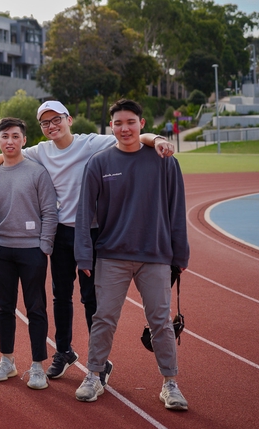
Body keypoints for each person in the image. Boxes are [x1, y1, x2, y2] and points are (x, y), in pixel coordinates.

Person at [0, 100, 173, 383]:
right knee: (61, 297)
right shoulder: (41, 151)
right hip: (61, 232)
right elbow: (9, 152)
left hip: (92, 232)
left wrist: (156, 139)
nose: (51, 126)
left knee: (92, 297)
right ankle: (64, 351)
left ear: (68, 119)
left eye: (56, 119)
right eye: (45, 123)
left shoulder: (90, 143)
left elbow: (128, 134)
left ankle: (99, 359)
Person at [74, 99, 189, 411]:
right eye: (118, 123)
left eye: (130, 122)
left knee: (161, 323)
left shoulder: (165, 161)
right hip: (111, 255)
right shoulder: (98, 163)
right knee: (104, 318)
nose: (124, 128)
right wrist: (84, 255)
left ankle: (170, 384)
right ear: (111, 127)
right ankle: (94, 375)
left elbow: (176, 210)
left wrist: (180, 255)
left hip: (155, 256)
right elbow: (84, 213)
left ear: (142, 123)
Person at [0, 118, 58, 390]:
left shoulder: (37, 172)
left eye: (16, 136)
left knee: (36, 307)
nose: (10, 141)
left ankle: (38, 366)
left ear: (24, 140)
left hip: (32, 252)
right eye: (5, 136)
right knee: (4, 308)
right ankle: (7, 360)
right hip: (0, 251)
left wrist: (44, 246)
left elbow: (50, 211)